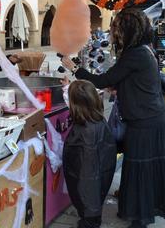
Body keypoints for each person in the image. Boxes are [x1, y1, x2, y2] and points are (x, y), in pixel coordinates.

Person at [62, 8, 165, 228]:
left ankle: (140, 218)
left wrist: (74, 68)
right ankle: (136, 210)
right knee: (137, 167)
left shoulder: (135, 54)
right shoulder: (144, 49)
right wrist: (121, 86)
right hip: (149, 117)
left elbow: (102, 80)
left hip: (145, 120)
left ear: (128, 29)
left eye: (117, 29)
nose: (114, 33)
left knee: (141, 168)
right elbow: (137, 80)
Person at [63, 80, 116, 228]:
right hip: (98, 181)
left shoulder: (84, 131)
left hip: (87, 189)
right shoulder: (98, 120)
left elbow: (85, 177)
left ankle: (89, 221)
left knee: (89, 200)